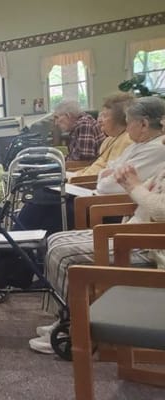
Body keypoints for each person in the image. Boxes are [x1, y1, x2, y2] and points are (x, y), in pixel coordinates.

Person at [27, 102, 165, 354]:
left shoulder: (156, 150)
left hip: (145, 244)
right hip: (133, 230)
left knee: (64, 254)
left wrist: (133, 185)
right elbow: (110, 176)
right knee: (55, 240)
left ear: (144, 124)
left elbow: (156, 207)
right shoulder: (143, 147)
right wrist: (131, 185)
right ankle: (67, 318)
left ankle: (74, 330)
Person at [16, 95, 165, 234]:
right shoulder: (139, 144)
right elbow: (109, 171)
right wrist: (106, 175)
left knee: (45, 206)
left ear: (144, 125)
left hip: (105, 206)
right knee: (41, 197)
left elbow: (109, 185)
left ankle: (17, 250)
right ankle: (16, 246)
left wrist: (105, 176)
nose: (126, 127)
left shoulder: (155, 148)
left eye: (129, 122)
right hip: (97, 197)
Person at [69, 92, 135, 178]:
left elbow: (109, 173)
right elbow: (97, 166)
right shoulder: (109, 139)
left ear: (120, 119)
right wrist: (76, 174)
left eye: (104, 116)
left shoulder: (126, 140)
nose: (99, 120)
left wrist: (74, 177)